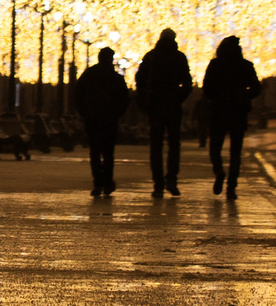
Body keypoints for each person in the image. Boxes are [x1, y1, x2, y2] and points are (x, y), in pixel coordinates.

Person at [133, 27, 194, 196]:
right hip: (173, 106)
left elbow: (140, 79)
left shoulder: (151, 57)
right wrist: (178, 97)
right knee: (174, 145)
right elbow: (187, 82)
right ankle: (171, 180)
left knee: (156, 146)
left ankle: (158, 184)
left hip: (156, 106)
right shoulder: (179, 57)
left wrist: (146, 95)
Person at [201, 35, 261, 199]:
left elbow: (206, 87)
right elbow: (256, 88)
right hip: (238, 112)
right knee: (236, 151)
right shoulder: (246, 66)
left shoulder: (215, 65)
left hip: (219, 111)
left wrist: (217, 97)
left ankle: (219, 171)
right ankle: (231, 187)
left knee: (215, 147)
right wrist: (244, 96)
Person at [72, 46, 131, 197]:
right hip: (109, 119)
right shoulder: (116, 78)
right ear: (111, 59)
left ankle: (98, 183)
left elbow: (77, 94)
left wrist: (84, 112)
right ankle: (107, 182)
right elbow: (125, 99)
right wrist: (117, 113)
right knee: (108, 152)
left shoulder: (89, 75)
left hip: (92, 119)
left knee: (95, 152)